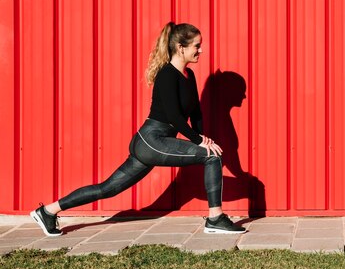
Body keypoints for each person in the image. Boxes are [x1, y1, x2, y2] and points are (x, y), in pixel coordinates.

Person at [31, 22, 245, 236]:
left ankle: (47, 211)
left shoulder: (189, 76)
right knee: (212, 157)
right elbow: (173, 116)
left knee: (107, 188)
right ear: (181, 47)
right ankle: (215, 218)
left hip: (153, 142)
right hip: (152, 139)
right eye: (196, 46)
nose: (201, 50)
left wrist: (201, 136)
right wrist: (199, 142)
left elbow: (196, 113)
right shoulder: (167, 75)